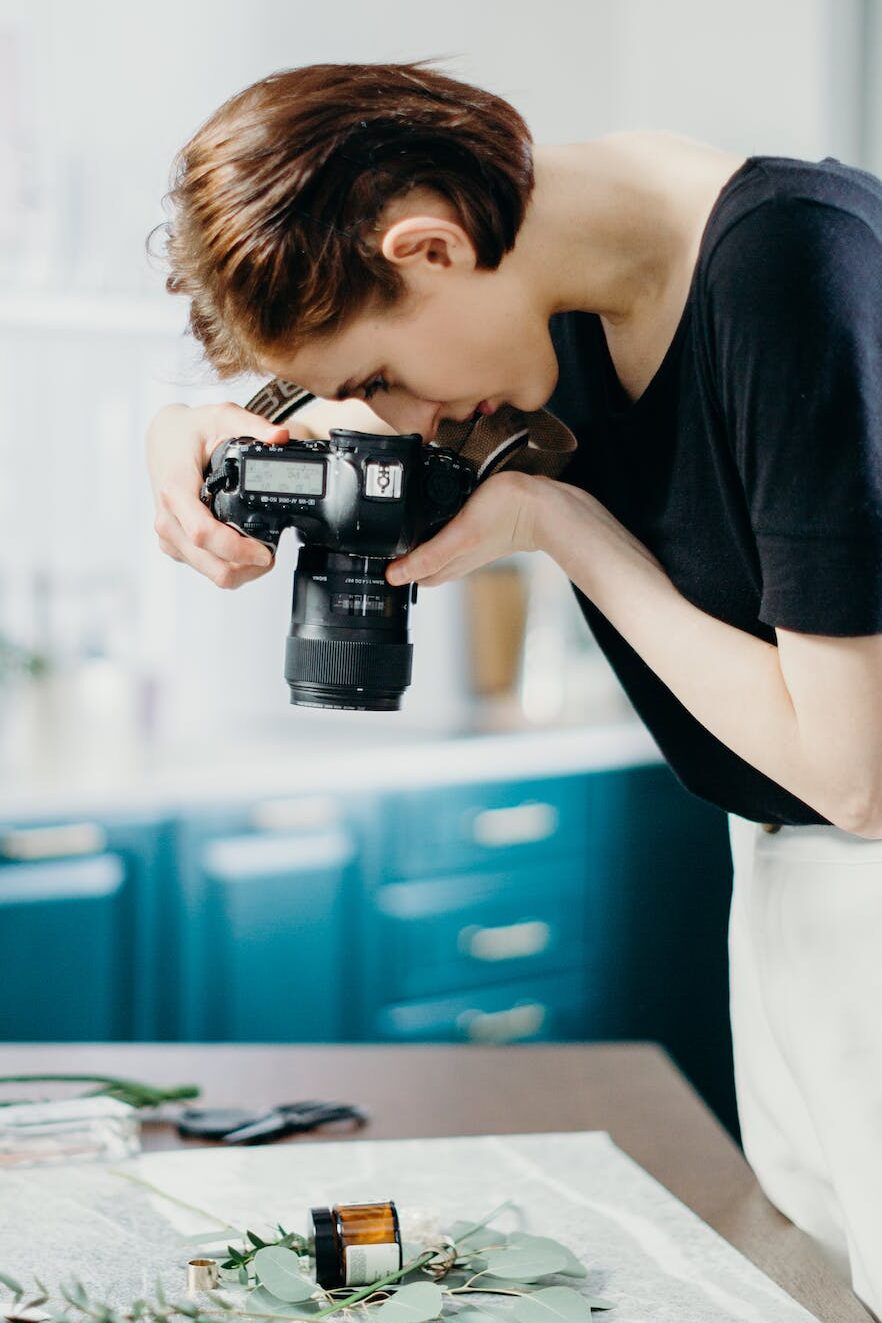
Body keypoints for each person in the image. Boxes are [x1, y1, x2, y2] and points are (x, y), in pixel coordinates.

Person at [146, 62, 882, 1310]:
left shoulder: (790, 268)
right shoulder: (550, 294)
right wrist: (185, 432)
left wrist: (561, 525)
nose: (404, 421)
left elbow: (859, 776)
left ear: (429, 247)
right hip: (775, 883)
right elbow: (298, 385)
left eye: (384, 380)